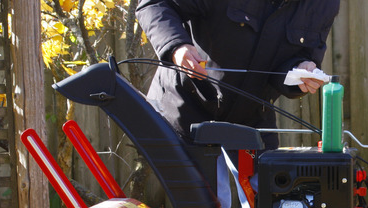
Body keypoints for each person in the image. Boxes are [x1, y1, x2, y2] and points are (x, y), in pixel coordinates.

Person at [136, 0, 340, 149]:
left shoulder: (323, 5)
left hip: (253, 123)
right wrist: (176, 47)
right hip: (184, 114)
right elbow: (154, 4)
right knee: (205, 205)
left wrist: (300, 73)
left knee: (278, 199)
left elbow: (299, 59)